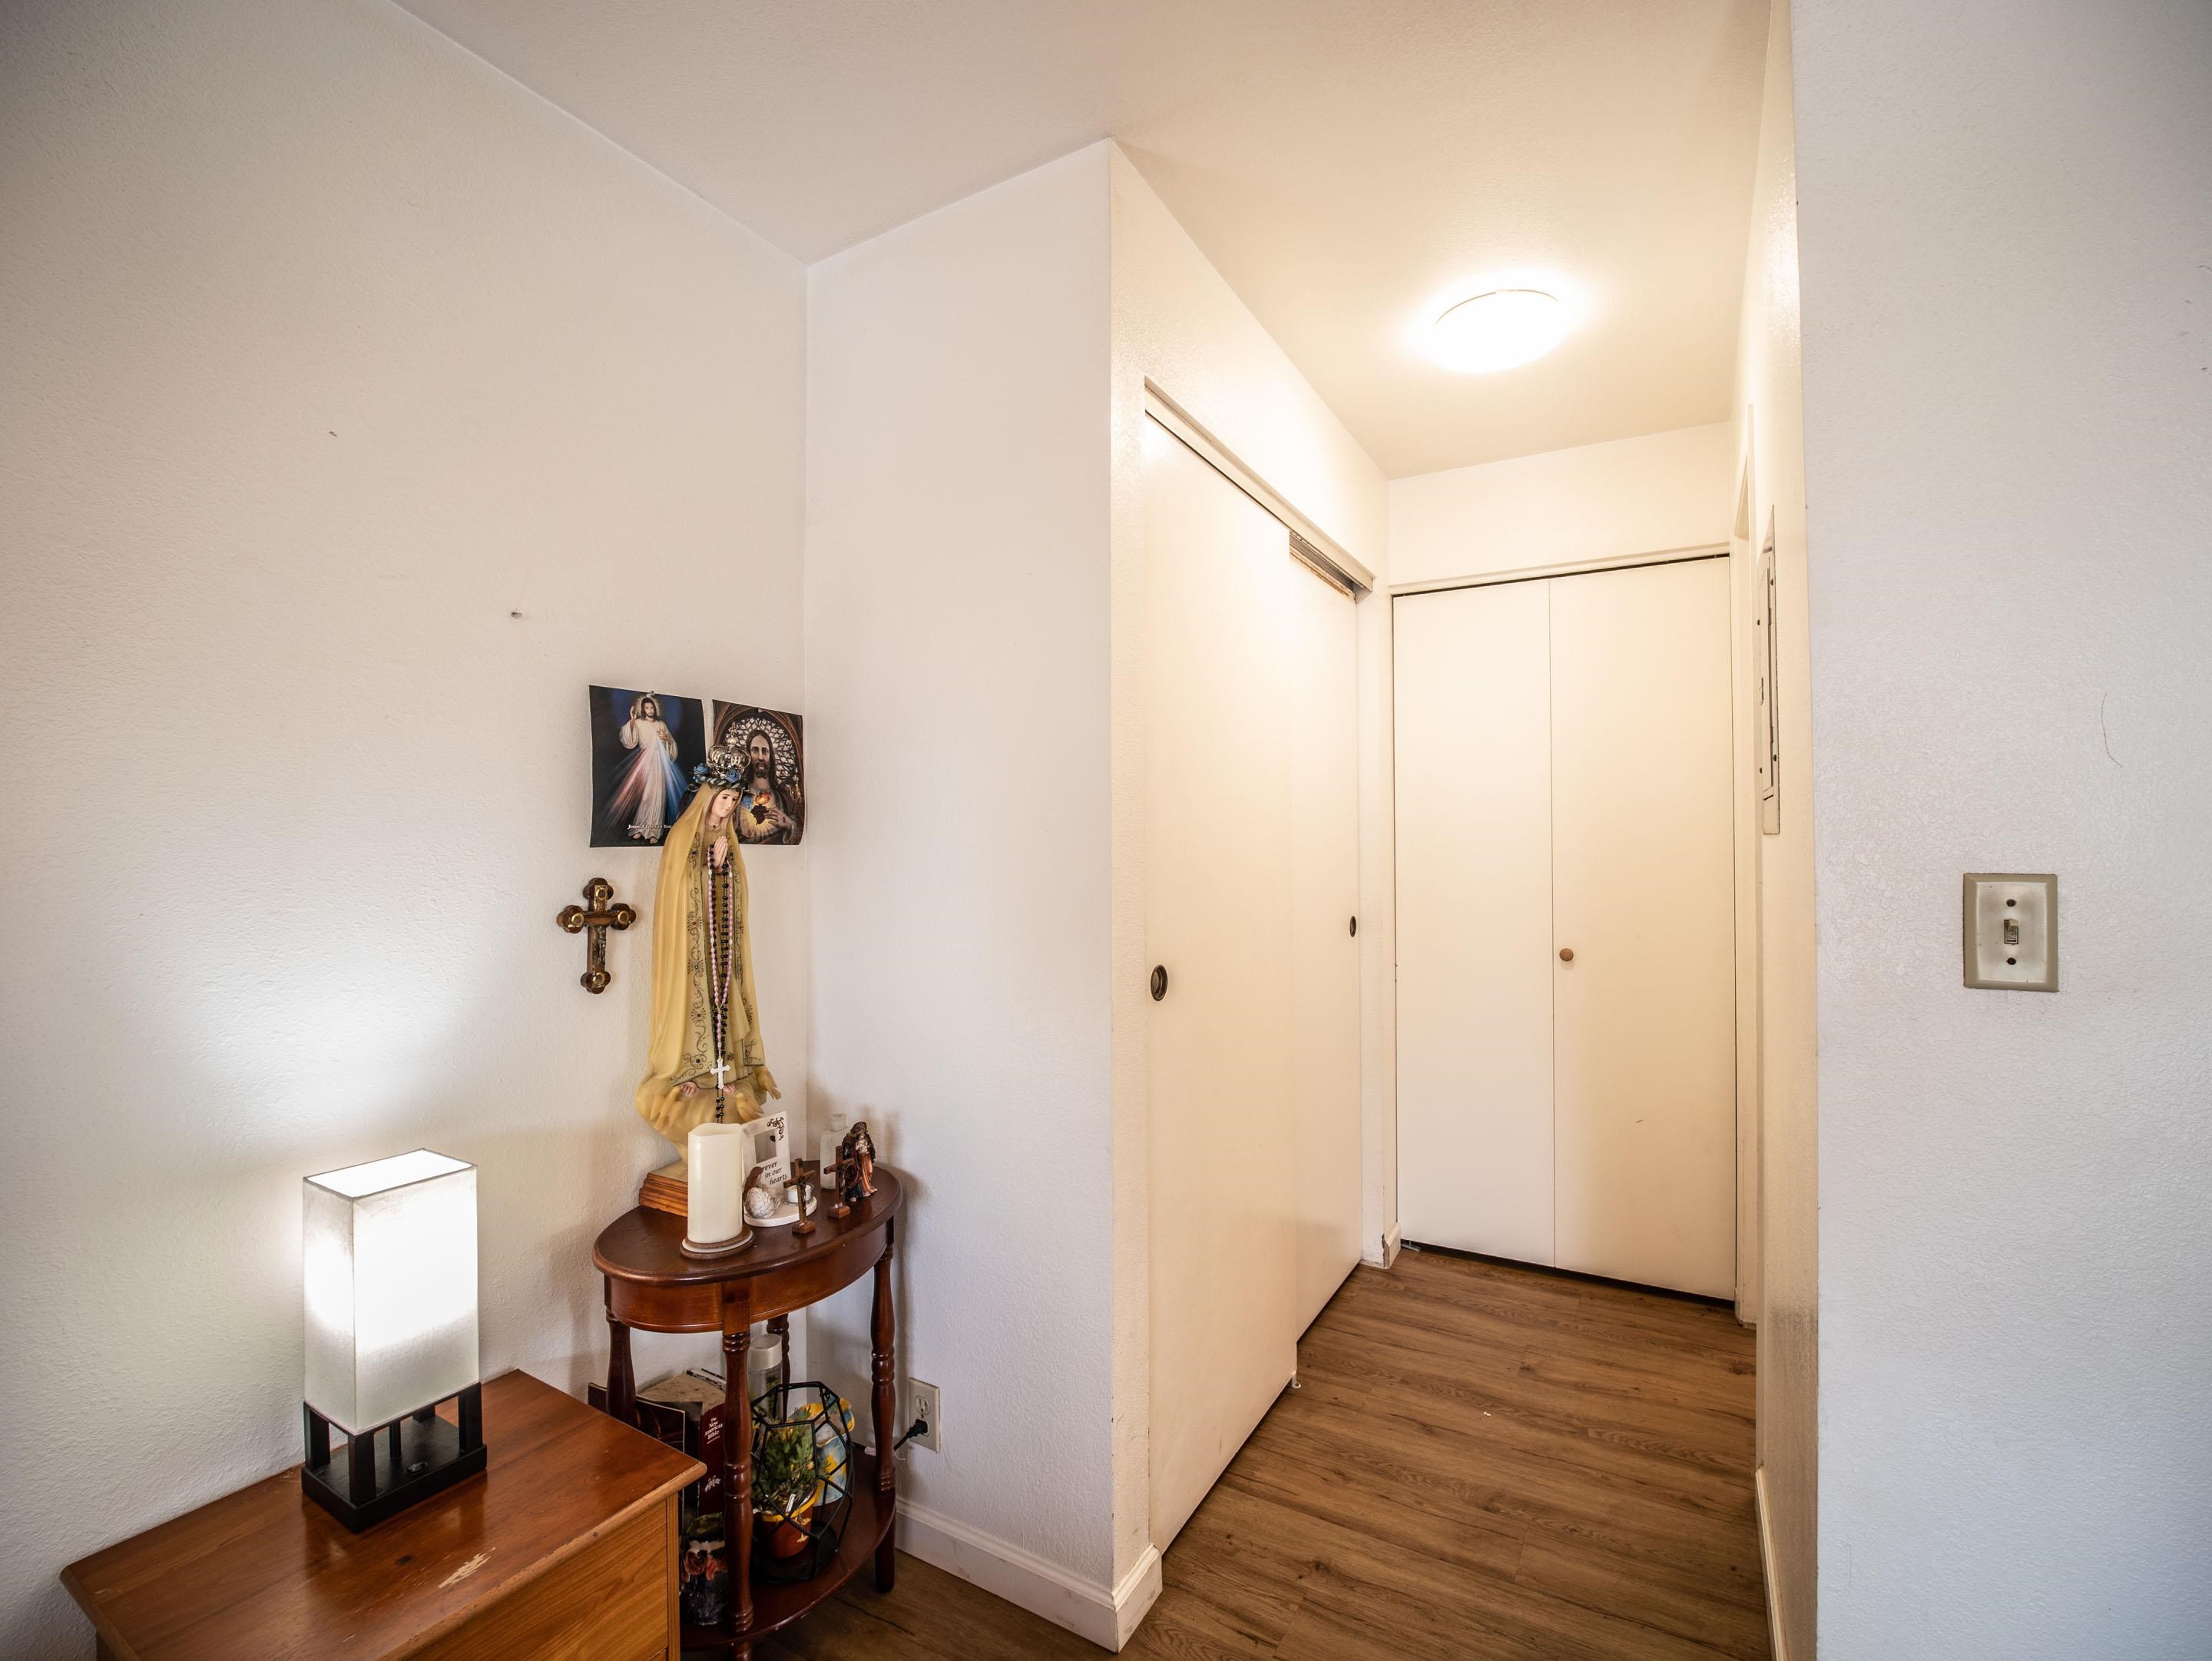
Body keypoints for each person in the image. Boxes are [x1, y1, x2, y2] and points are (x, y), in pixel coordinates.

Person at [634, 756, 780, 1145]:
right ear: (708, 797)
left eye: (734, 800)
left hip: (721, 943)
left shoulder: (728, 838)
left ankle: (727, 1069)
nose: (729, 806)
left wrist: (725, 868)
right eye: (724, 799)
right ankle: (692, 1071)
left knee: (727, 999)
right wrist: (706, 867)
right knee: (693, 1003)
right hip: (692, 946)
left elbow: (739, 891)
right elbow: (676, 890)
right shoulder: (683, 834)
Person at [608, 692, 684, 844]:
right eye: (647, 708)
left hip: (660, 760)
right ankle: (640, 828)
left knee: (659, 795)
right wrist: (631, 721)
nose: (650, 710)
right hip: (646, 760)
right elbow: (629, 741)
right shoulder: (639, 723)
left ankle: (654, 832)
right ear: (643, 709)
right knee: (646, 795)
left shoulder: (661, 724)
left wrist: (668, 739)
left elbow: (671, 744)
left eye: (652, 708)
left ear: (655, 709)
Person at [732, 726, 801, 844]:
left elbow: (801, 830)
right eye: (755, 750)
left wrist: (789, 824)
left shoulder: (783, 796)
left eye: (765, 751)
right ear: (748, 754)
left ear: (771, 756)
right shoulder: (738, 793)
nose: (760, 757)